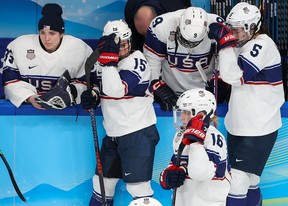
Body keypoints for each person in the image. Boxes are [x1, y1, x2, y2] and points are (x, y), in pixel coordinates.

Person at [208, 2, 285, 205]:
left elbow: (233, 76)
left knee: (238, 181)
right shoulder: (242, 45)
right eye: (231, 28)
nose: (234, 33)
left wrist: (224, 43)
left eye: (239, 28)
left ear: (253, 27)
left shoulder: (262, 44)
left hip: (259, 126)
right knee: (250, 180)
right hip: (243, 124)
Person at [80, 19, 160, 206]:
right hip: (113, 134)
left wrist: (108, 63)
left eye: (123, 44)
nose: (121, 49)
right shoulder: (100, 63)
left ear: (130, 42)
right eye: (116, 45)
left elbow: (115, 90)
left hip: (137, 133)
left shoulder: (137, 62)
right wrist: (92, 95)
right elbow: (97, 88)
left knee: (138, 188)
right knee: (102, 184)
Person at [1, 3, 92, 109]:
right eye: (42, 32)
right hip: (27, 112)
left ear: (61, 34)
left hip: (66, 115)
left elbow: (88, 84)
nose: (47, 38)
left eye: (52, 33)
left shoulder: (79, 48)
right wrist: (30, 97)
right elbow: (10, 82)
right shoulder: (19, 45)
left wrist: (70, 94)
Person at [143, 7, 234, 111]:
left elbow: (224, 58)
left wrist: (220, 80)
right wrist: (156, 84)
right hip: (172, 89)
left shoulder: (217, 26)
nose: (189, 45)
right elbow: (151, 61)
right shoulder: (161, 26)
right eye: (186, 40)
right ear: (179, 26)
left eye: (194, 43)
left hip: (205, 92)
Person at [160, 88, 231, 206]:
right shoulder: (181, 134)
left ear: (201, 114)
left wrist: (195, 143)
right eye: (181, 112)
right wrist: (167, 176)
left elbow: (200, 173)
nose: (181, 117)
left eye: (186, 113)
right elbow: (176, 163)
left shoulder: (213, 137)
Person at [124, 0, 191, 52]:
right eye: (144, 34)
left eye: (150, 34)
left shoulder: (174, 11)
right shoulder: (130, 8)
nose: (148, 38)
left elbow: (188, 11)